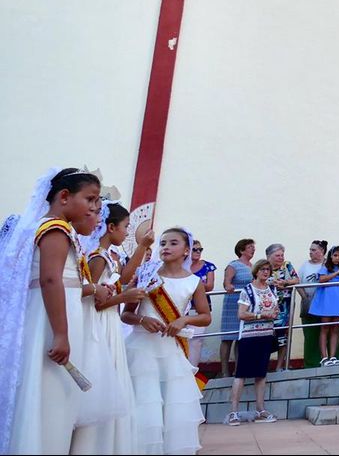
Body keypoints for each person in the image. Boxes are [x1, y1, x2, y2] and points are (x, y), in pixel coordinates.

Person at [0, 168, 103, 454]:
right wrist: (60, 333)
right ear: (64, 196)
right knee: (50, 396)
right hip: (51, 321)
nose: (94, 207)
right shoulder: (55, 228)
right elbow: (50, 279)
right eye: (90, 198)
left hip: (57, 316)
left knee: (56, 397)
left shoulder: (58, 227)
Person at [123, 226, 212, 454]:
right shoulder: (146, 274)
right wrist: (142, 319)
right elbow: (126, 313)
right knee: (144, 407)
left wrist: (183, 320)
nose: (166, 247)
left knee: (172, 410)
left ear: (186, 250)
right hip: (142, 350)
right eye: (163, 243)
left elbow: (205, 316)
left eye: (173, 243)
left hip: (171, 352)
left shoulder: (193, 281)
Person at [74, 202, 151, 454]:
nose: (127, 232)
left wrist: (143, 247)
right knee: (104, 379)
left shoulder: (110, 256)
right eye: (125, 226)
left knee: (115, 380)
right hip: (100, 324)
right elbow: (93, 303)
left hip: (110, 323)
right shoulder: (96, 257)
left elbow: (126, 277)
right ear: (110, 227)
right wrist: (123, 298)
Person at [226, 259, 280, 425]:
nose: (265, 272)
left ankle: (260, 409)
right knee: (241, 373)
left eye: (268, 270)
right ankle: (233, 412)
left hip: (266, 334)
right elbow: (241, 314)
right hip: (249, 335)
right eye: (262, 269)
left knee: (261, 373)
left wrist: (274, 313)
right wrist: (261, 315)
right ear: (256, 271)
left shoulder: (271, 289)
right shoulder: (247, 290)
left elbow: (275, 308)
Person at [298, 240, 339, 367]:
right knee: (311, 333)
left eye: (313, 250)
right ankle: (312, 363)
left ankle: (334, 358)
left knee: (331, 330)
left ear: (322, 251)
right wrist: (305, 297)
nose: (310, 252)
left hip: (327, 303)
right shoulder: (305, 265)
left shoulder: (329, 264)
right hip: (310, 302)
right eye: (310, 250)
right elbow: (299, 282)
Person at [310, 245, 339, 366]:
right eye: (335, 255)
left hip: (338, 302)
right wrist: (336, 273)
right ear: (330, 256)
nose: (337, 258)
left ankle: (333, 356)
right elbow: (322, 279)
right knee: (325, 328)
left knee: (335, 328)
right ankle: (324, 357)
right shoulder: (325, 267)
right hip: (326, 301)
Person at [220, 238, 256, 377]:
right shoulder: (233, 265)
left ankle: (238, 368)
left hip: (245, 304)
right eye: (249, 247)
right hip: (232, 303)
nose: (253, 249)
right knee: (228, 338)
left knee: (241, 337)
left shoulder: (252, 266)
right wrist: (228, 286)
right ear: (241, 250)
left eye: (253, 247)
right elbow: (226, 282)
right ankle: (224, 370)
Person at [265, 244, 299, 370]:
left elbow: (296, 279)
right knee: (267, 336)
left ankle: (280, 366)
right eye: (277, 255)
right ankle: (264, 365)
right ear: (269, 256)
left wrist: (285, 282)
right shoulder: (264, 267)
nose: (281, 258)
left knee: (283, 336)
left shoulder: (287, 265)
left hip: (285, 305)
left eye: (282, 255)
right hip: (268, 306)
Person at [187, 239, 217, 370]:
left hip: (200, 309)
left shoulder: (208, 266)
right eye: (195, 249)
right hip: (183, 308)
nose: (198, 252)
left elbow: (209, 286)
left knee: (196, 341)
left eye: (200, 249)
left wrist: (190, 283)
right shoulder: (181, 266)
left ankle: (193, 370)